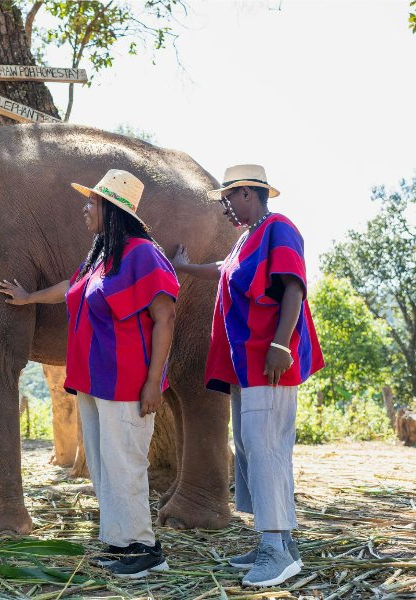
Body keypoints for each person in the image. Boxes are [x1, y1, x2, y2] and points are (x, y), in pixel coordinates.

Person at [0, 169, 179, 578]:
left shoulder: (143, 254)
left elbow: (165, 316)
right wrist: (28, 299)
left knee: (125, 462)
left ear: (112, 210)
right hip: (94, 381)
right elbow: (71, 286)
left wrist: (154, 382)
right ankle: (118, 543)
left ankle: (145, 549)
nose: (84, 208)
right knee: (102, 463)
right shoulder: (103, 255)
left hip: (127, 382)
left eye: (92, 202)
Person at [171, 164, 324, 588]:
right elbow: (223, 269)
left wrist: (280, 345)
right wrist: (185, 268)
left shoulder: (280, 228)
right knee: (253, 449)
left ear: (249, 194)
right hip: (245, 365)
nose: (224, 208)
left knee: (266, 448)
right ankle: (278, 543)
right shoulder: (248, 240)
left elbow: (292, 286)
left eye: (228, 199)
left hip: (267, 360)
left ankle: (276, 551)